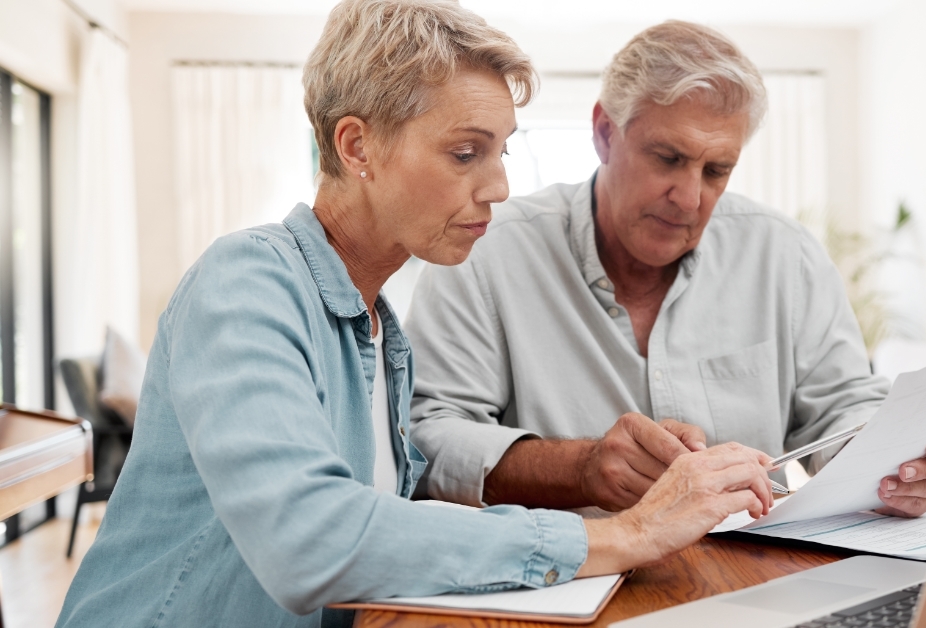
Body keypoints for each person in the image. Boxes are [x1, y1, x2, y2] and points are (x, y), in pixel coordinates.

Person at [55, 4, 776, 627]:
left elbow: (389, 530)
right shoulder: (247, 283)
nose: (498, 187)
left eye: (500, 152)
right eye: (465, 153)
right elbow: (310, 538)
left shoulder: (379, 330)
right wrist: (626, 535)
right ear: (357, 146)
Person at [406, 20, 926, 518]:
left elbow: (844, 407)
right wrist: (581, 468)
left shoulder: (783, 255)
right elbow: (427, 439)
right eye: (668, 158)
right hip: (569, 571)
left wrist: (895, 461)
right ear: (604, 132)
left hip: (754, 568)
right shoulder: (485, 251)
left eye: (717, 170)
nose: (690, 198)